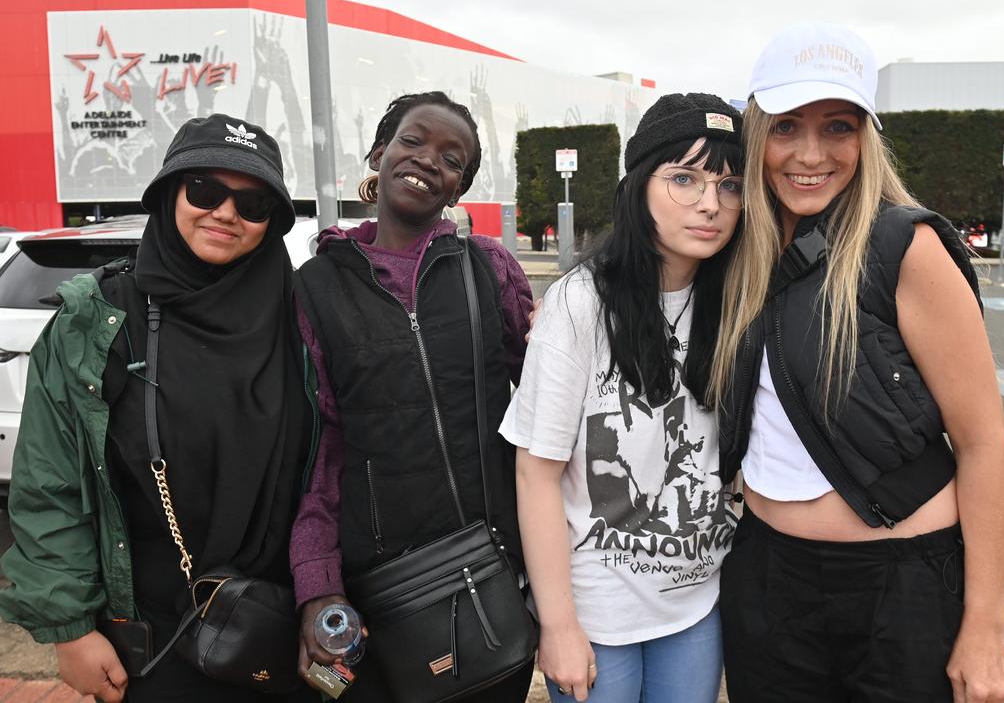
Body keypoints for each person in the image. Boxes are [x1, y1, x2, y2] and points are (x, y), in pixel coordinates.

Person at [712, 23, 1004, 703]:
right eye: (787, 126)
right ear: (758, 132)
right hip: (768, 581)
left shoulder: (903, 248)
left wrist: (985, 627)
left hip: (900, 589)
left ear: (865, 138)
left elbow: (983, 446)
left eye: (839, 127)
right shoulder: (736, 257)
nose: (810, 153)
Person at [0, 114, 317, 703]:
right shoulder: (98, 319)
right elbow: (50, 484)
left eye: (252, 203)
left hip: (287, 628)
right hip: (153, 639)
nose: (225, 212)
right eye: (204, 191)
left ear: (271, 223)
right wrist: (70, 630)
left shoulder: (307, 317)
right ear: (169, 194)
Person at [289, 91, 535, 702]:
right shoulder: (316, 287)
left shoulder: (489, 269)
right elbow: (318, 450)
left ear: (458, 190)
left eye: (452, 159)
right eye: (413, 141)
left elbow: (543, 411)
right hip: (382, 591)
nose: (429, 160)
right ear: (379, 153)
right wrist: (318, 585)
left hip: (494, 576)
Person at [501, 93, 745, 703]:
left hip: (696, 604)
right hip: (597, 610)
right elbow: (536, 472)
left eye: (730, 184)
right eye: (684, 179)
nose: (710, 204)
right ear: (638, 186)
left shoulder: (741, 300)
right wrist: (558, 626)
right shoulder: (580, 303)